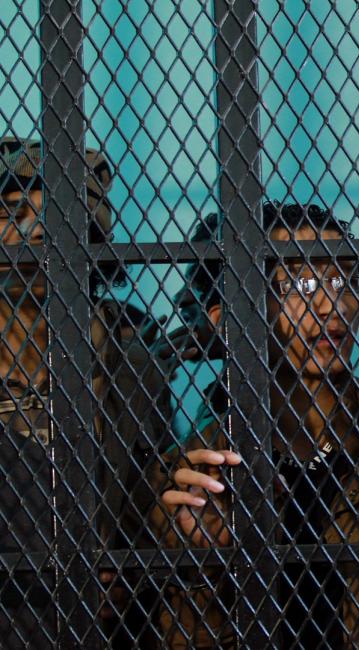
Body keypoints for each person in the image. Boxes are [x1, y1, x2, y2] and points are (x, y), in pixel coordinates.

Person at [148, 202, 359, 648]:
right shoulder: (195, 470)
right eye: (299, 284)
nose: (331, 304)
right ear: (228, 320)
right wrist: (202, 562)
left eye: (344, 280)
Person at [0, 137, 171, 645]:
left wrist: (128, 571)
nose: (32, 231)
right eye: (11, 212)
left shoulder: (132, 367)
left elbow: (149, 504)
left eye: (53, 218)